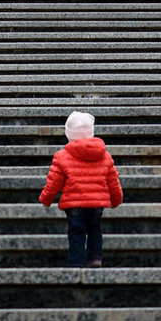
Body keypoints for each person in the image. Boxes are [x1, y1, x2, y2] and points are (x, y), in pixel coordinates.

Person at [39, 111, 123, 267]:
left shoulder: (62, 156)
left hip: (74, 204)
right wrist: (116, 199)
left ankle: (75, 262)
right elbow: (113, 180)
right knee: (94, 229)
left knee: (76, 232)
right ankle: (95, 258)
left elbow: (53, 182)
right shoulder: (105, 156)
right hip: (97, 203)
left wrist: (46, 199)